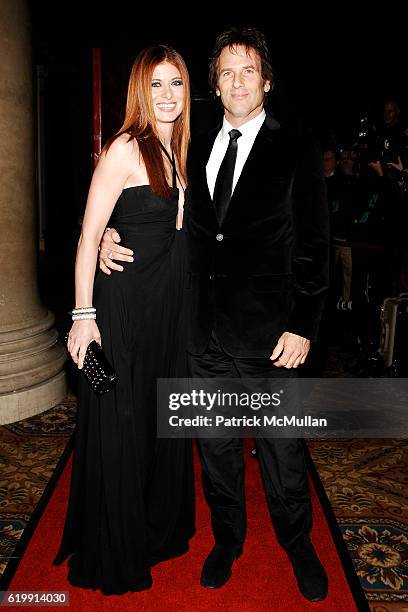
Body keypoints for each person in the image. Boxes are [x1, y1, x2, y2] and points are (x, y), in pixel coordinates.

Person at [100, 27, 330, 602]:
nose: (236, 82)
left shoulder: (295, 145)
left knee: (281, 452)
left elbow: (314, 245)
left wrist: (303, 323)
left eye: (247, 70)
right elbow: (157, 213)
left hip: (273, 334)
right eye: (225, 73)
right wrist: (108, 233)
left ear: (267, 81)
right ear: (215, 86)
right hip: (201, 334)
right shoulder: (194, 145)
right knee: (218, 449)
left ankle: (297, 543)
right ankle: (228, 538)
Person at [53, 45, 195, 595]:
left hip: (167, 318)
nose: (166, 95)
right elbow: (89, 237)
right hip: (125, 313)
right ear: (140, 91)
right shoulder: (125, 148)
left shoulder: (177, 150)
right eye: (156, 84)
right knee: (123, 424)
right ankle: (114, 545)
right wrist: (83, 319)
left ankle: (154, 530)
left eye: (176, 83)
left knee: (157, 425)